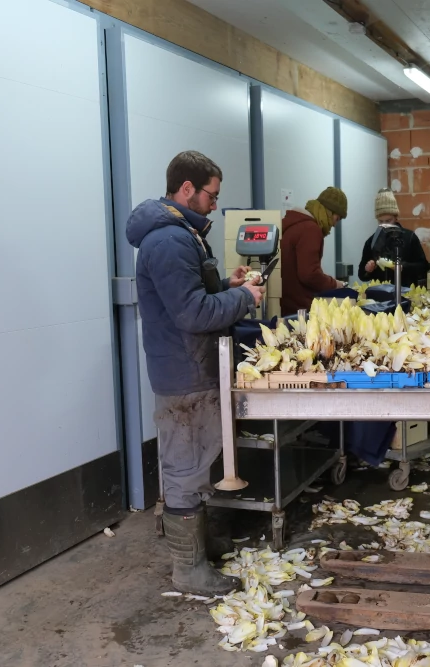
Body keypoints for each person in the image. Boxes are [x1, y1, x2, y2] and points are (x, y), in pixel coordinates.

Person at [126, 150, 264, 595]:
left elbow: (194, 294)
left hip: (195, 366)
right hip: (184, 373)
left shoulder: (183, 233)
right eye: (211, 194)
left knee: (199, 463)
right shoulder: (168, 241)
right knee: (185, 469)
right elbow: (191, 313)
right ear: (186, 189)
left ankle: (199, 544)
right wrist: (245, 299)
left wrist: (228, 285)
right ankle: (188, 570)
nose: (215, 204)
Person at [279, 187, 348, 315]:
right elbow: (309, 274)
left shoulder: (293, 224)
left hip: (283, 306)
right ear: (329, 212)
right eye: (337, 219)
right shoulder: (310, 229)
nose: (334, 225)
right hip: (298, 310)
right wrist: (335, 284)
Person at [357, 188, 430, 287]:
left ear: (396, 217)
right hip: (380, 296)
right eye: (381, 222)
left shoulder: (409, 238)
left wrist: (403, 267)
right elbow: (362, 275)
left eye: (388, 221)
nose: (385, 225)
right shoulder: (371, 242)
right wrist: (367, 270)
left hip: (407, 295)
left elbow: (423, 267)